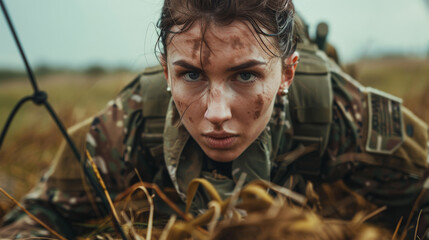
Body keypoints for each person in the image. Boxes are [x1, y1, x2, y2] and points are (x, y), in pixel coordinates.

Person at [1, 0, 429, 239]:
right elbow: (33, 217)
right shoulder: (131, 119)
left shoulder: (341, 112)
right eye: (191, 74)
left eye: (245, 75)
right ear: (166, 72)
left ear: (289, 73)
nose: (217, 113)